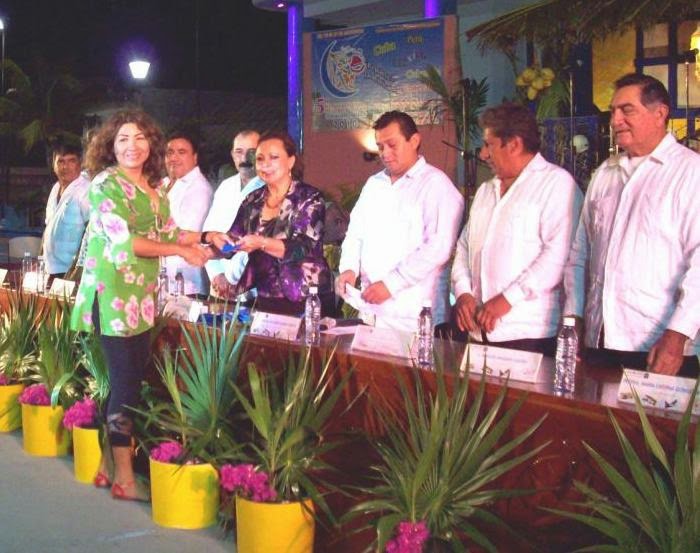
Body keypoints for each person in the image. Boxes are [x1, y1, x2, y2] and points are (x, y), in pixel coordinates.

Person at [70, 110, 231, 502]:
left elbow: (169, 231)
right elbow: (125, 243)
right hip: (110, 297)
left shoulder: (152, 189)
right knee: (126, 382)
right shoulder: (105, 185)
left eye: (140, 138)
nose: (132, 145)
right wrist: (181, 249)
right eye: (123, 138)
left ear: (151, 146)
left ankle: (108, 467)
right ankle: (125, 477)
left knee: (128, 380)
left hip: (141, 298)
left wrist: (207, 236)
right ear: (111, 145)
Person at [564, 73, 700, 377]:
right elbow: (580, 254)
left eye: (627, 110)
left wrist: (678, 334)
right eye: (613, 111)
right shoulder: (605, 174)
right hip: (600, 341)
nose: (616, 120)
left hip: (659, 346)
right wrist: (573, 319)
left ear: (660, 113)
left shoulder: (691, 173)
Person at [451, 102, 582, 355]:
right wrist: (463, 292)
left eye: (489, 145)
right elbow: (464, 246)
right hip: (478, 332)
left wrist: (507, 299)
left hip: (528, 333)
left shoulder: (556, 185)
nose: (483, 154)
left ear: (514, 144)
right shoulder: (485, 191)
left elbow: (557, 256)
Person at [336, 110, 463, 332]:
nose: (385, 153)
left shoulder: (436, 185)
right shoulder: (374, 184)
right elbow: (355, 233)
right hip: (372, 312)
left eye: (392, 145)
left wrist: (391, 284)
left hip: (415, 316)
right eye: (380, 147)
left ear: (414, 141)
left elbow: (438, 248)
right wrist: (349, 268)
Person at [224, 130, 333, 315]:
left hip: (306, 297)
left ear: (290, 161)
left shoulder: (309, 197)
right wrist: (208, 245)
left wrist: (261, 243)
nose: (265, 164)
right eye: (259, 159)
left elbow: (302, 249)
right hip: (266, 295)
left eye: (273, 157)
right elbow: (233, 239)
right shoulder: (252, 200)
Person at [202, 130, 264, 298]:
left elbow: (255, 241)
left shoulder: (269, 189)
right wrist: (217, 275)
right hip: (219, 287)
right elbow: (210, 233)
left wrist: (230, 281)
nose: (244, 159)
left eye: (251, 152)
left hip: (253, 289)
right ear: (232, 155)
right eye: (239, 152)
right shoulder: (225, 187)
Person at [163, 131, 213, 296]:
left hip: (186, 280)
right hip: (161, 278)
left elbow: (183, 233)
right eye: (170, 152)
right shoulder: (163, 183)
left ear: (195, 157)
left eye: (181, 152)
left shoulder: (199, 188)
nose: (174, 158)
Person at [42, 144, 91, 278]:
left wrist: (78, 268)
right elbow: (48, 227)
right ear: (54, 164)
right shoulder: (55, 188)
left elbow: (92, 229)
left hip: (73, 270)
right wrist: (40, 259)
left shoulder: (86, 189)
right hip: (51, 267)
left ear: (80, 164)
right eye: (61, 161)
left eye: (71, 161)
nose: (65, 167)